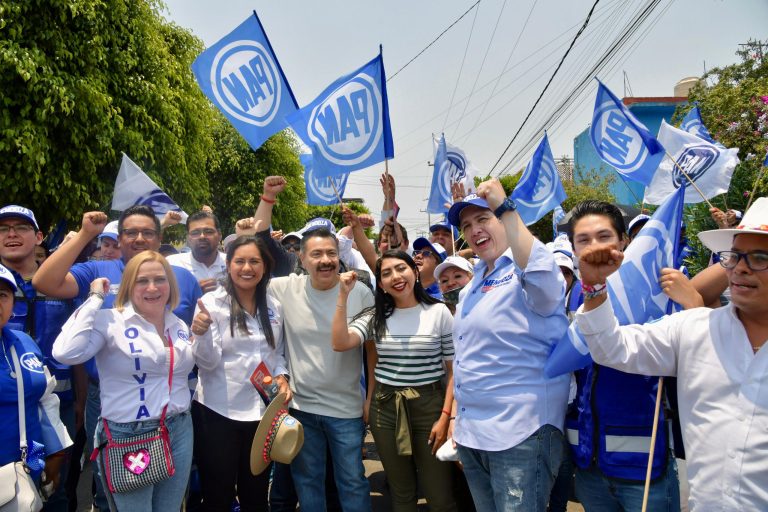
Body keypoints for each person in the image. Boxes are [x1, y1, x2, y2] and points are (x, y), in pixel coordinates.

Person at [574, 196, 768, 509]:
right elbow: (611, 348)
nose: (740, 268)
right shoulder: (695, 328)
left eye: (759, 258)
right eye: (734, 256)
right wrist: (594, 287)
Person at [33, 205, 201, 511]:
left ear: (160, 237)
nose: (152, 288)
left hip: (176, 422)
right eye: (130, 232)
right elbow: (45, 284)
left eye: (147, 232)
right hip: (118, 413)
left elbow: (193, 347)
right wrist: (85, 238)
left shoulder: (181, 291)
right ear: (119, 238)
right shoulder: (100, 273)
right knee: (113, 497)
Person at [253, 176, 374, 512]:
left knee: (352, 483)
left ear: (340, 257)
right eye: (316, 254)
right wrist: (267, 198)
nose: (325, 260)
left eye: (331, 253)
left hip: (347, 412)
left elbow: (371, 353)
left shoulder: (360, 292)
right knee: (308, 484)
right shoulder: (284, 288)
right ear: (302, 260)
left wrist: (369, 398)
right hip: (302, 409)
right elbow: (258, 244)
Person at [447, 180, 569, 511]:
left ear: (503, 220)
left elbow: (542, 274)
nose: (474, 230)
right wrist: (458, 421)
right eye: (466, 226)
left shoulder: (527, 269)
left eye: (483, 219)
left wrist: (504, 206)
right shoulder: (472, 283)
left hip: (521, 434)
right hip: (474, 435)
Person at [565, 200, 681, 511]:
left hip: (644, 465)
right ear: (573, 248)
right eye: (583, 240)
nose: (594, 247)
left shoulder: (655, 285)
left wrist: (691, 298)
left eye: (604, 236)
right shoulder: (573, 293)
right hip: (588, 463)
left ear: (624, 241)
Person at [332, 251, 457, 511]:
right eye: (386, 273)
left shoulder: (439, 312)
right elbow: (340, 342)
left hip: (430, 407)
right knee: (401, 492)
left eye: (401, 268)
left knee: (439, 494)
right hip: (386, 408)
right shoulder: (375, 315)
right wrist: (342, 295)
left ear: (414, 272)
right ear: (380, 284)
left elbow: (453, 370)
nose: (396, 277)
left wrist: (446, 416)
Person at [190, 236, 290, 511]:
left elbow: (277, 354)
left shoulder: (274, 306)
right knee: (218, 495)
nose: (247, 268)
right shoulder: (211, 304)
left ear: (265, 266)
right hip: (217, 412)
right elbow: (207, 364)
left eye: (254, 261)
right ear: (229, 264)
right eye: (240, 261)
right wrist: (201, 334)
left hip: (262, 413)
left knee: (256, 493)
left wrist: (282, 376)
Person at [0, 204, 80, 511]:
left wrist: (81, 401)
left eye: (20, 227)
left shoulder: (63, 282)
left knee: (49, 485)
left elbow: (78, 344)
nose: (11, 234)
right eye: (3, 229)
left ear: (38, 237)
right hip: (9, 416)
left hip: (54, 408)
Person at [167, 211, 227, 294]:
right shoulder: (172, 263)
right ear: (188, 238)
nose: (202, 236)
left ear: (219, 235)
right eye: (195, 233)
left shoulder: (232, 262)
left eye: (208, 231)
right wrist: (193, 291)